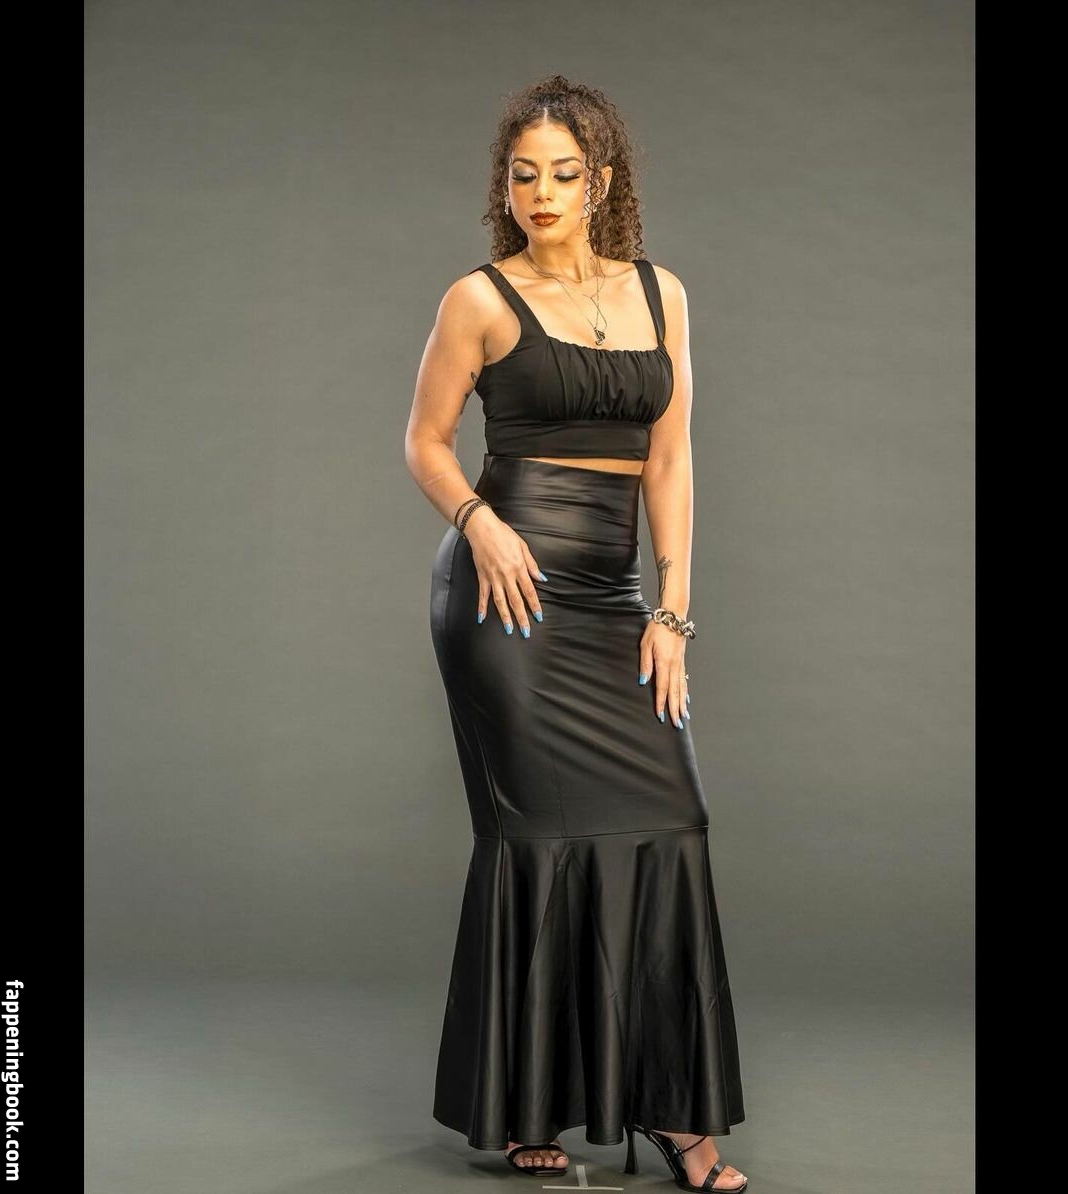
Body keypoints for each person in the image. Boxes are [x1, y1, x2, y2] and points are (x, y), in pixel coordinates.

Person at [404, 75, 748, 1192]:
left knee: (672, 819)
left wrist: (672, 612)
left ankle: (674, 1110)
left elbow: (672, 458)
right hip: (505, 597)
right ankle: (528, 1106)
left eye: (563, 173)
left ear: (601, 181)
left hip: (609, 594)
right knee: (538, 839)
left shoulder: (661, 293)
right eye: (523, 175)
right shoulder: (479, 298)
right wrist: (479, 523)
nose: (541, 193)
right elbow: (425, 441)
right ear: (503, 185)